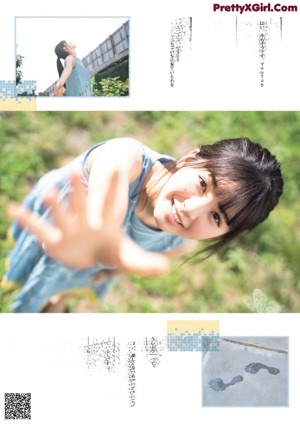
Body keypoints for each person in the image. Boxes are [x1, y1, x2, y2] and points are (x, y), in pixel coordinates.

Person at [2, 137, 283, 313]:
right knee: (48, 270)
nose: (191, 209)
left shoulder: (181, 241)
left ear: (225, 233)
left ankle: (59, 298)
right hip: (62, 228)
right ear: (189, 159)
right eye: (202, 184)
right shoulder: (124, 157)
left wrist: (115, 265)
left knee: (67, 282)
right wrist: (108, 246)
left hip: (93, 259)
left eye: (217, 217)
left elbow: (134, 252)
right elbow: (104, 220)